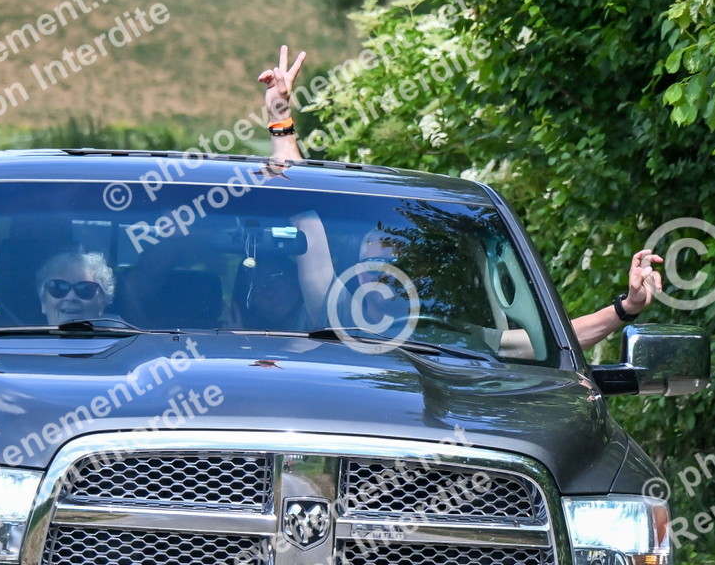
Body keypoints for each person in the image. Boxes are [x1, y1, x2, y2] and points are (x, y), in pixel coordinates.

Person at [257, 45, 663, 353]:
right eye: (371, 248)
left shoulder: (447, 335)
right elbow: (305, 208)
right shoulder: (336, 312)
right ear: (357, 266)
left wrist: (626, 308)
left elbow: (554, 341)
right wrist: (280, 118)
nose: (379, 259)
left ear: (411, 270)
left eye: (391, 250)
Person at [36, 251, 115, 325]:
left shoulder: (120, 334)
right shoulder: (28, 335)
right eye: (58, 288)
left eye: (84, 289)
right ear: (43, 302)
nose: (71, 297)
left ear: (102, 303)